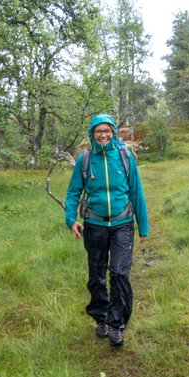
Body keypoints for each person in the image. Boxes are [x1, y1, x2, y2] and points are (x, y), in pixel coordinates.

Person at [65, 114, 149, 346]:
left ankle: (116, 323)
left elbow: (136, 192)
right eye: (98, 131)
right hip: (95, 226)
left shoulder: (124, 157)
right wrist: (71, 219)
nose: (103, 135)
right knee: (97, 274)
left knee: (120, 273)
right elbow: (73, 193)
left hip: (122, 224)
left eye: (107, 131)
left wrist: (143, 226)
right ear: (92, 134)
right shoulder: (85, 160)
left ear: (114, 132)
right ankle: (101, 317)